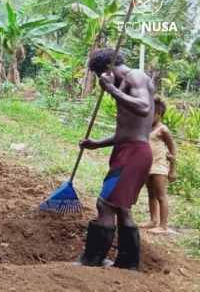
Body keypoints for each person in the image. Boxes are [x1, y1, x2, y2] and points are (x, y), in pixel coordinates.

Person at [76, 48, 155, 271]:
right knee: (121, 208)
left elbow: (144, 107)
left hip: (135, 153)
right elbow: (127, 130)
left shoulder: (136, 76)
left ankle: (91, 260)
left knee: (105, 204)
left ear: (105, 70)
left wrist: (110, 88)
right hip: (126, 148)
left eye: (98, 75)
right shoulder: (124, 84)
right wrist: (96, 143)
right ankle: (126, 263)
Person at [139, 96, 176, 234]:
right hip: (148, 166)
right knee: (151, 194)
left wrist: (172, 170)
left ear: (158, 114)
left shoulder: (163, 130)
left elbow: (172, 151)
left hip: (159, 167)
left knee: (161, 195)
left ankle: (163, 225)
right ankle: (153, 220)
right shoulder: (146, 128)